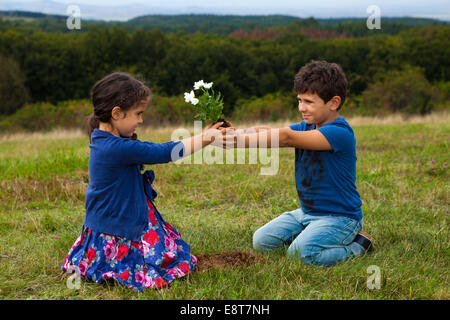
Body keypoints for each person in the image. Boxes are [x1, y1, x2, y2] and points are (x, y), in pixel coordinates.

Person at [61, 72, 227, 291]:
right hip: (119, 227)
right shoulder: (117, 148)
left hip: (106, 223)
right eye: (138, 113)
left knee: (170, 246)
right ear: (117, 113)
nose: (141, 120)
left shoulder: (103, 139)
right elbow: (164, 152)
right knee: (169, 259)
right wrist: (206, 139)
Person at [225, 60, 374, 266]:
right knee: (262, 241)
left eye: (309, 102)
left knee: (300, 255)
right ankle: (312, 234)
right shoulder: (306, 126)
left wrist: (239, 142)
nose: (301, 107)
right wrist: (235, 134)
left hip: (340, 217)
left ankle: (358, 247)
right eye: (299, 100)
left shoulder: (340, 133)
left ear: (333, 102)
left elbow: (286, 137)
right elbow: (268, 131)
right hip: (307, 212)